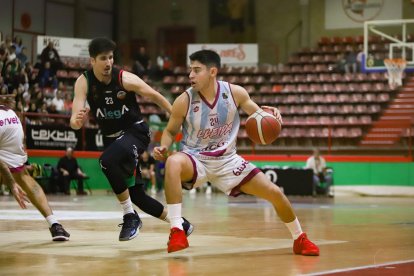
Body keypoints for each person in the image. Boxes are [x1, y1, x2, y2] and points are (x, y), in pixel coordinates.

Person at [153, 50, 319, 255]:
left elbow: (257, 114)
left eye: (196, 70)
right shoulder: (184, 100)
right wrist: (164, 146)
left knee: (275, 192)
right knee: (173, 162)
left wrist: (270, 114)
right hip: (195, 158)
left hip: (228, 160)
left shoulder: (235, 93)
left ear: (212, 71)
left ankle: (299, 238)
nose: (190, 76)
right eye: (190, 70)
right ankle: (177, 230)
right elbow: (170, 131)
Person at [70, 37, 193, 241]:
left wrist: (176, 116)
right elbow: (74, 121)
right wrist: (77, 120)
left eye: (110, 57)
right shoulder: (83, 82)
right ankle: (181, 223)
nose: (108, 62)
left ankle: (129, 216)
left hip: (135, 132)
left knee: (106, 161)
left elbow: (155, 96)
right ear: (92, 61)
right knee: (138, 197)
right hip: (113, 140)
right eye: (103, 58)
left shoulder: (124, 78)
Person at [0, 95, 70, 241]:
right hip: (10, 118)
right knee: (23, 176)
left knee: (16, 176)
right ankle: (55, 225)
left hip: (5, 122)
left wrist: (12, 184)